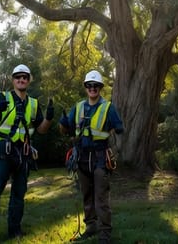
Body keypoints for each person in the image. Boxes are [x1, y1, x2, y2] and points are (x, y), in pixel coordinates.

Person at [0, 63, 53, 243]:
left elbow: (41, 130)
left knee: (18, 196)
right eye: (18, 77)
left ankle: (14, 231)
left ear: (29, 81)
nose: (21, 79)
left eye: (25, 77)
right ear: (13, 80)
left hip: (23, 153)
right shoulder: (2, 97)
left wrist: (49, 119)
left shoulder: (34, 104)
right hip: (3, 151)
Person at [59, 70, 125, 243]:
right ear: (85, 87)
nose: (92, 88)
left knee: (101, 198)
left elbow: (119, 129)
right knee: (86, 195)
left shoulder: (108, 108)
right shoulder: (78, 107)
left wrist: (115, 149)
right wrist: (64, 124)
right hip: (81, 157)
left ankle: (105, 234)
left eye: (96, 86)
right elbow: (63, 129)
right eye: (89, 85)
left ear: (100, 88)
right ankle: (91, 227)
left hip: (100, 158)